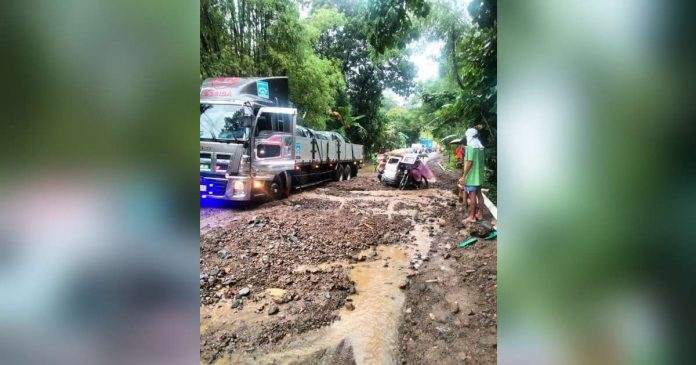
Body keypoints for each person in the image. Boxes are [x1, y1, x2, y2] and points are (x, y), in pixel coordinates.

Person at [460, 124, 485, 222]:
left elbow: (470, 162)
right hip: (479, 175)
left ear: (469, 136)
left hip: (471, 176)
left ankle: (472, 217)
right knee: (479, 194)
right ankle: (481, 214)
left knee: (472, 195)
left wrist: (464, 176)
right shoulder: (480, 146)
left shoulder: (470, 147)